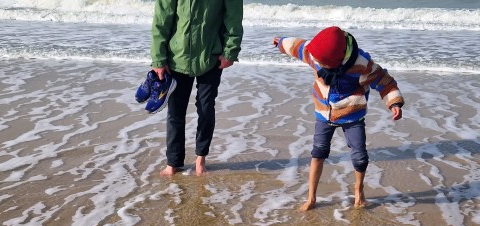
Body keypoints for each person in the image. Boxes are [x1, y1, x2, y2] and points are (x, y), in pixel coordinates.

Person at [273, 26, 404, 210]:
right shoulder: (314, 53)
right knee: (318, 152)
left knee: (360, 157)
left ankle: (359, 190)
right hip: (323, 114)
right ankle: (311, 197)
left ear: (338, 60)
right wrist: (280, 42)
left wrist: (394, 103)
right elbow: (297, 47)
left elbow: (385, 81)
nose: (316, 63)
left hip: (352, 116)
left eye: (322, 63)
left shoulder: (361, 63)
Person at [150, 0, 243, 176]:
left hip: (211, 57)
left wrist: (230, 51)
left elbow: (234, 18)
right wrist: (159, 59)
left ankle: (201, 158)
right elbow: (162, 19)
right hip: (177, 58)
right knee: (175, 112)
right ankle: (173, 162)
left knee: (206, 108)